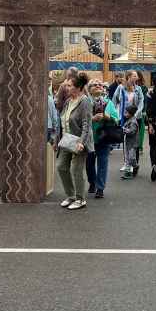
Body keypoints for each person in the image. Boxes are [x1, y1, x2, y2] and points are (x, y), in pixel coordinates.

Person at [56, 72, 94, 210]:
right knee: (61, 167)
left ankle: (80, 199)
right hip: (67, 140)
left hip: (79, 141)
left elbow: (86, 124)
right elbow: (63, 121)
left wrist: (81, 142)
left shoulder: (85, 101)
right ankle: (71, 196)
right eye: (66, 85)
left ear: (78, 88)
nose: (66, 88)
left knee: (76, 170)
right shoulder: (68, 101)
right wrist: (57, 139)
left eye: (69, 86)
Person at [88, 78, 118, 198]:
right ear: (89, 89)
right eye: (95, 85)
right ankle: (92, 182)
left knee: (103, 162)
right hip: (89, 137)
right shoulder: (85, 102)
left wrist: (106, 116)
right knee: (89, 163)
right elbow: (80, 119)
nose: (98, 86)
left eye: (100, 85)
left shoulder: (108, 103)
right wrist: (92, 118)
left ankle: (100, 188)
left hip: (104, 137)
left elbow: (116, 119)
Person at [112, 70, 144, 173]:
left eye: (137, 76)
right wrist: (115, 114)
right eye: (134, 76)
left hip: (135, 118)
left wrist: (136, 113)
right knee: (125, 141)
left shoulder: (138, 89)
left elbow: (141, 102)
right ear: (128, 77)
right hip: (124, 117)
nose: (137, 78)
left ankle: (134, 164)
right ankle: (127, 163)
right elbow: (114, 100)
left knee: (134, 141)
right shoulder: (121, 88)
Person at [120, 104, 140, 179]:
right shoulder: (129, 120)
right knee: (127, 158)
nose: (125, 114)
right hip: (128, 142)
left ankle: (136, 166)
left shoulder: (133, 122)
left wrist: (124, 130)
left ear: (131, 113)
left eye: (126, 112)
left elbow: (132, 132)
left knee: (131, 157)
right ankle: (128, 173)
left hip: (133, 143)